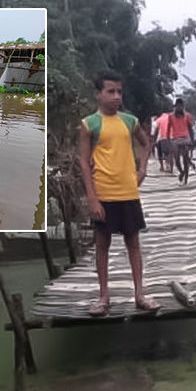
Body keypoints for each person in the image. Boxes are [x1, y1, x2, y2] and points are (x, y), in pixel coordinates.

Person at [77, 70, 159, 317]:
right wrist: (92, 198)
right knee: (102, 244)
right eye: (110, 91)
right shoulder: (89, 124)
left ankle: (139, 294)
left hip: (128, 192)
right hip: (104, 193)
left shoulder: (129, 121)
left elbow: (146, 144)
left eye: (119, 92)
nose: (116, 96)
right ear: (98, 95)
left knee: (133, 243)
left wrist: (142, 168)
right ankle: (103, 296)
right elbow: (82, 161)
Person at [166, 97, 195, 182]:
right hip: (175, 139)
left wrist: (192, 141)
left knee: (186, 159)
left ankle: (186, 178)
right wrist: (169, 142)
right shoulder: (171, 116)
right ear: (175, 107)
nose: (179, 108)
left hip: (186, 138)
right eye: (177, 106)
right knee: (177, 159)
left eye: (180, 106)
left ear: (183, 106)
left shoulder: (187, 116)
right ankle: (181, 172)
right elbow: (168, 129)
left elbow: (190, 129)